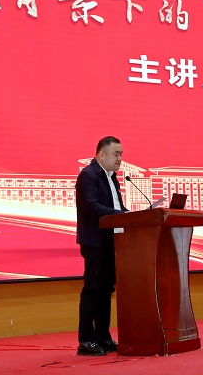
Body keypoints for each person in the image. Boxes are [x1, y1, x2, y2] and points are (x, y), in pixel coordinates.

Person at [75, 136, 128, 356]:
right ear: (102, 154)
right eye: (116, 154)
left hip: (112, 241)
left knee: (106, 290)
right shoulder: (88, 176)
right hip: (95, 241)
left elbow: (117, 207)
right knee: (93, 289)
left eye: (121, 154)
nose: (120, 159)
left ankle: (103, 337)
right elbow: (92, 206)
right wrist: (120, 215)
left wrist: (130, 215)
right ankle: (86, 340)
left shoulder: (112, 177)